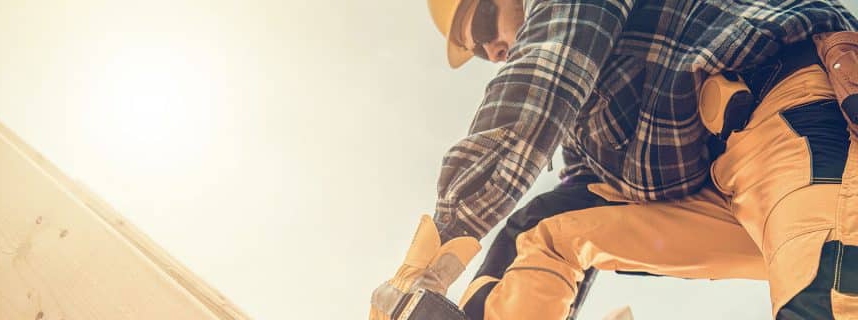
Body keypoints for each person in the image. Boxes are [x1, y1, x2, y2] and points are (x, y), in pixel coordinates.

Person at [368, 0, 858, 319]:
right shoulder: (591, 129)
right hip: (730, 188)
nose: (492, 50)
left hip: (795, 118)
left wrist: (441, 244)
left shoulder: (567, 16)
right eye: (479, 51)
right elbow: (576, 204)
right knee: (543, 233)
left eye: (483, 19)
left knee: (826, 299)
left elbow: (542, 82)